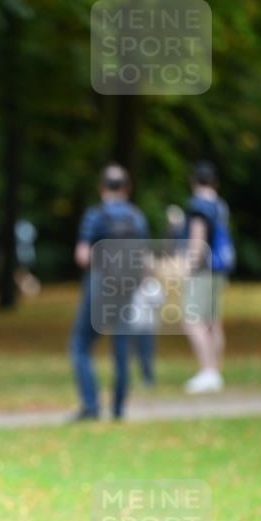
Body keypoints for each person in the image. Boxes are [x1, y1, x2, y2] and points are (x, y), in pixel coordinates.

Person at [69, 164, 149, 420]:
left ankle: (91, 406)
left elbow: (82, 256)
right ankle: (118, 409)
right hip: (126, 286)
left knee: (81, 344)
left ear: (102, 187)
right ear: (127, 188)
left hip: (100, 283)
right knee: (122, 347)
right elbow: (145, 259)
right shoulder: (137, 217)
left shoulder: (96, 215)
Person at [182, 160, 233, 393]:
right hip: (220, 268)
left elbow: (197, 240)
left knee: (192, 319)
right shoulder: (220, 205)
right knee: (213, 321)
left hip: (203, 269)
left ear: (194, 181)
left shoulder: (198, 205)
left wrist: (188, 267)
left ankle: (207, 371)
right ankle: (215, 371)